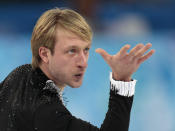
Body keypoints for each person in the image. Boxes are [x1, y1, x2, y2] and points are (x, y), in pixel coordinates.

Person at [0, 8, 155, 131]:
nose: (83, 62)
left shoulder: (20, 75)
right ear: (45, 54)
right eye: (71, 51)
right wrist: (121, 80)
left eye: (85, 50)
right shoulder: (48, 113)